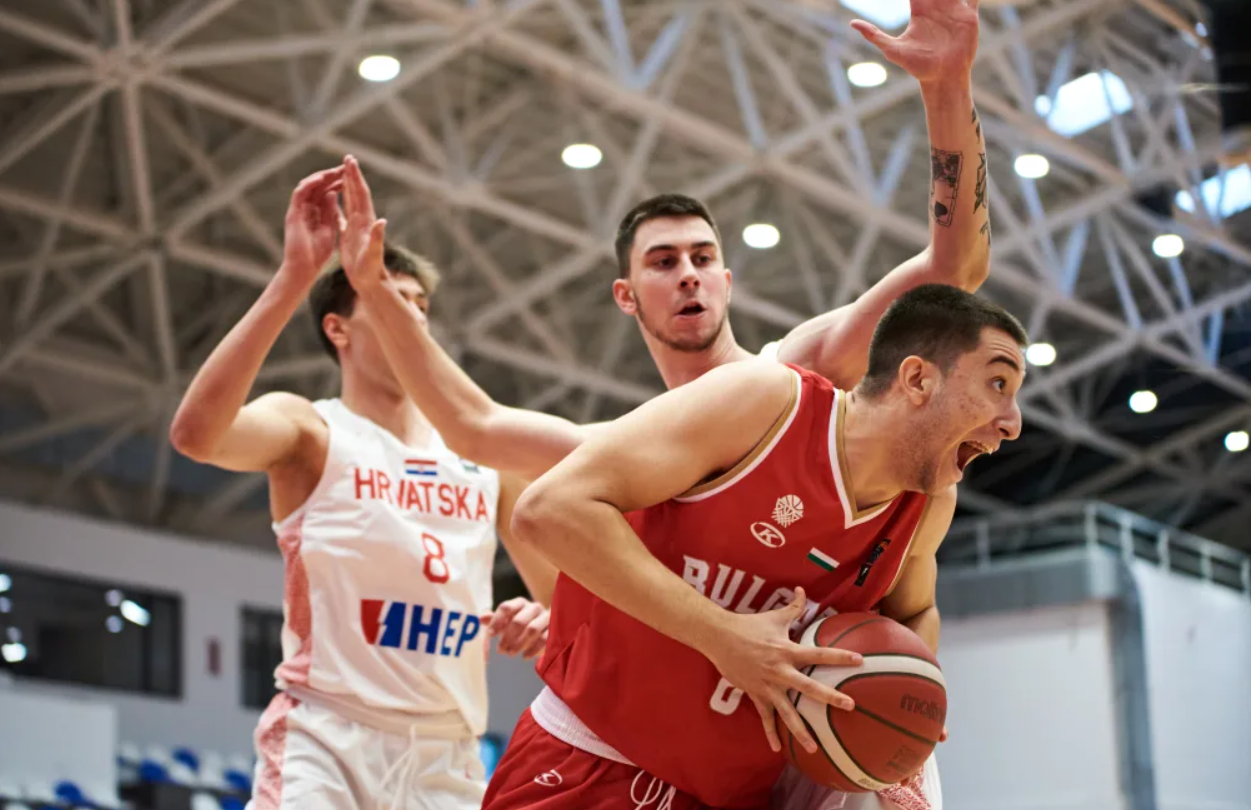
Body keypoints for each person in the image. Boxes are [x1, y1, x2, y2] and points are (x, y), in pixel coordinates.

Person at [334, 0, 986, 803]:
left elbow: (952, 269)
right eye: (663, 261)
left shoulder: (791, 377)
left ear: (727, 281)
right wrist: (376, 293)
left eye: (703, 258)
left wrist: (947, 88)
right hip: (655, 751)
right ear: (625, 294)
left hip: (816, 740)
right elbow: (473, 426)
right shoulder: (620, 450)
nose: (687, 275)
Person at [493, 285, 1027, 810]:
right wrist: (721, 635)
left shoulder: (928, 506)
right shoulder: (768, 404)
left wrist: (901, 710)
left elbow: (914, 613)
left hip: (741, 797)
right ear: (917, 379)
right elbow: (548, 510)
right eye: (998, 383)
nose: (1013, 424)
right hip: (587, 764)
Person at [168, 166, 555, 810]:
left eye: (420, 305)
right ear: (338, 329)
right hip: (327, 736)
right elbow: (196, 435)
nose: (412, 318)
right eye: (387, 299)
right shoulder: (311, 431)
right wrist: (294, 276)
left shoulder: (487, 454)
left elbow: (568, 607)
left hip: (448, 751)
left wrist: (545, 620)